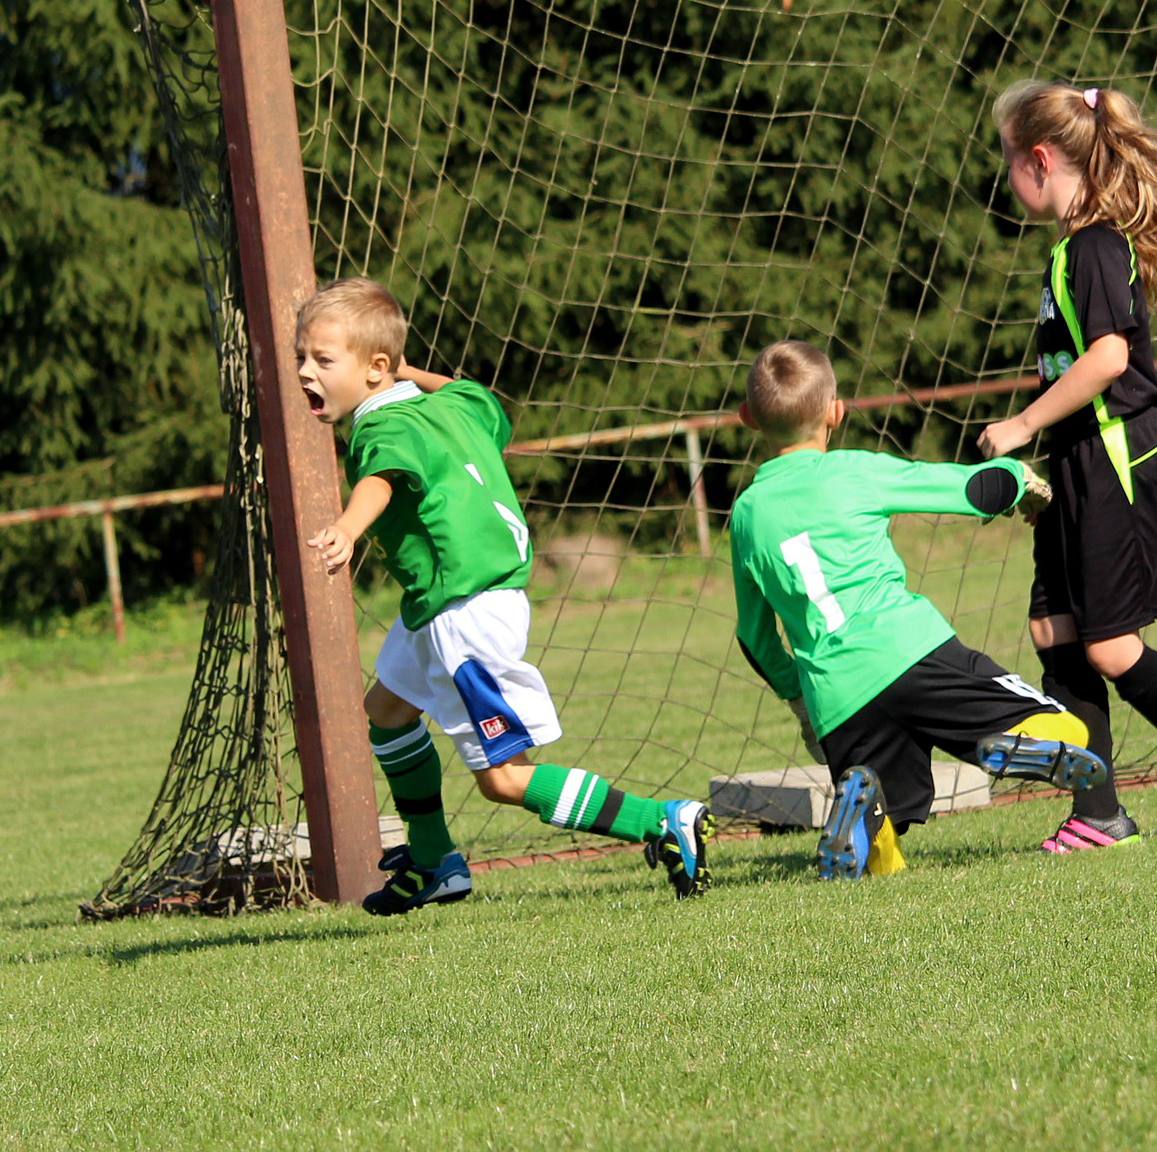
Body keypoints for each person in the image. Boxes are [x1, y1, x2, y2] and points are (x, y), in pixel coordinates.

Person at [297, 277, 713, 914]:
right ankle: (436, 861)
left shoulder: (380, 428)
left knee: (502, 778)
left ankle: (661, 821)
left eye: (323, 360)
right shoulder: (454, 406)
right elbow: (479, 396)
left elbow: (379, 481)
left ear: (375, 370)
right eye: (303, 357)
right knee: (385, 711)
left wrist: (348, 529)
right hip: (447, 602)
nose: (305, 372)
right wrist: (406, 368)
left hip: (465, 615)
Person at [978, 80, 1157, 853]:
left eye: (1008, 161)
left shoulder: (1097, 246)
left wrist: (1022, 424)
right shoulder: (1072, 249)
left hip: (1122, 459)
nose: (1007, 178)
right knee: (1054, 628)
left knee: (1109, 646)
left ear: (1040, 159)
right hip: (1079, 463)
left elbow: (1109, 357)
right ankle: (1098, 813)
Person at [730, 340, 1109, 878]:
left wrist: (799, 699)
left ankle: (864, 808)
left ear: (748, 418)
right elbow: (963, 488)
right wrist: (1018, 483)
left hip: (836, 696)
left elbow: (754, 635)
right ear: (836, 413)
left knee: (880, 841)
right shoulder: (852, 472)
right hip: (914, 654)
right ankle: (1010, 744)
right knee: (1069, 730)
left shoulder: (746, 515)